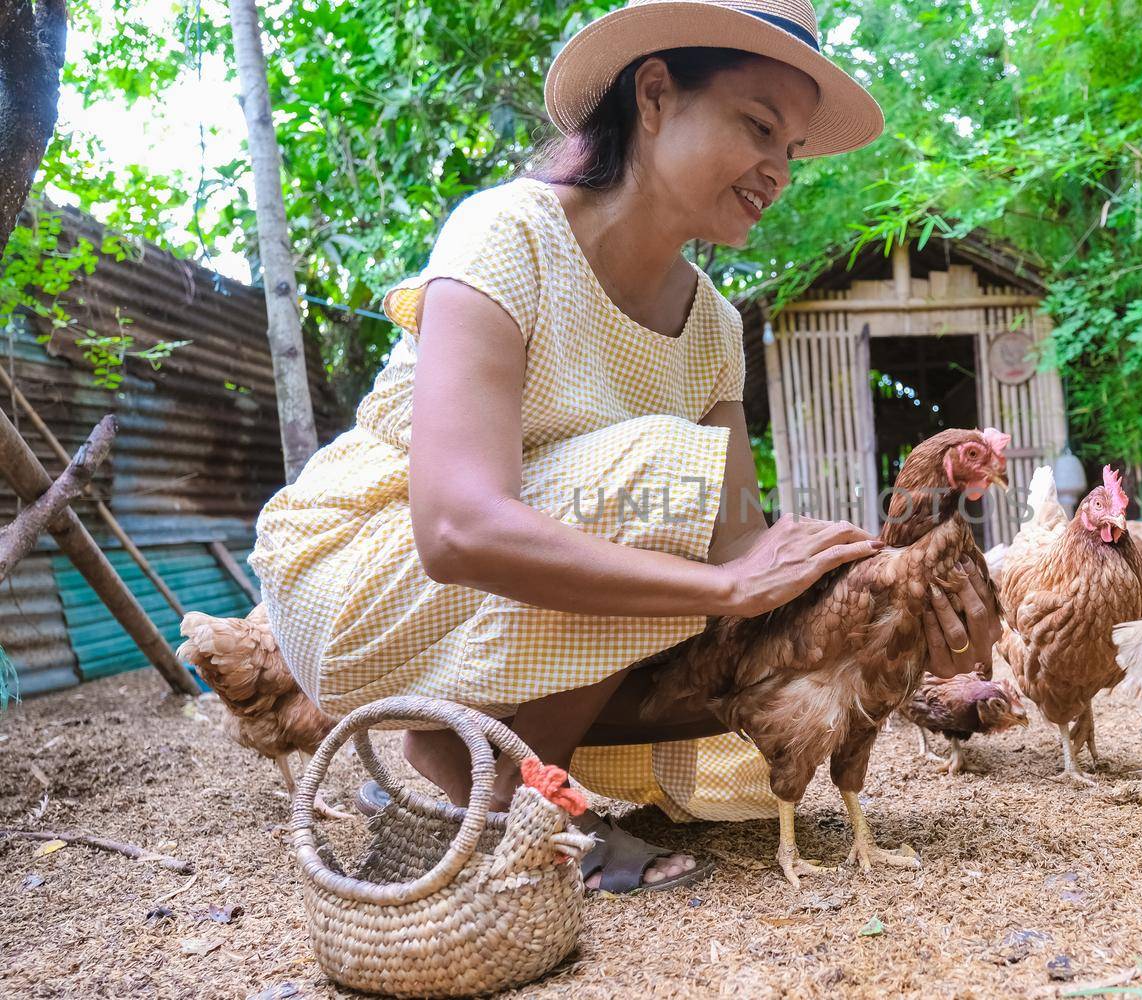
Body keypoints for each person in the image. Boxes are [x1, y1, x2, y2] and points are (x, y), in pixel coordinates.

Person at [248, 0, 1003, 893]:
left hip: (516, 597)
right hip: (368, 571)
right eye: (759, 127)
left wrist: (901, 615)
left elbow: (738, 556)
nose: (778, 170)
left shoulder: (715, 328)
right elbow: (454, 527)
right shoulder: (510, 234)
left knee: (747, 675)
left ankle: (475, 749)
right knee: (666, 479)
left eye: (791, 149)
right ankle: (514, 808)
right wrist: (726, 582)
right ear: (653, 95)